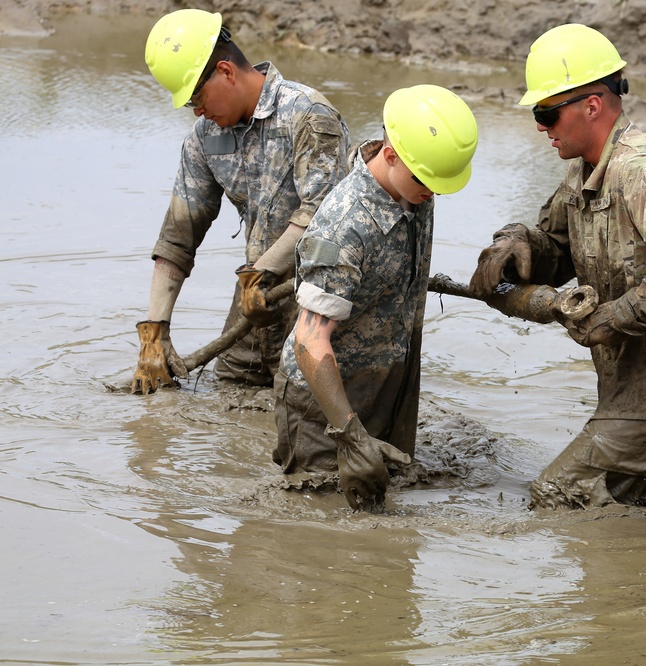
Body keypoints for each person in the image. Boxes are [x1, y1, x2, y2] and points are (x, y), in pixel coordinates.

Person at [469, 23, 646, 510]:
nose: (541, 127)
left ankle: (630, 581)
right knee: (622, 501)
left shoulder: (639, 167)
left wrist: (619, 315)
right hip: (639, 390)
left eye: (547, 113)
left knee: (558, 495)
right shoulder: (581, 172)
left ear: (591, 106)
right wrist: (513, 242)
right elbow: (554, 248)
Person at [273, 84, 479, 512]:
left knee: (381, 512)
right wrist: (349, 434)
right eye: (426, 180)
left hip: (386, 381)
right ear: (389, 156)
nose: (433, 192)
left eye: (441, 183)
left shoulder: (414, 184)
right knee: (318, 521)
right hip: (324, 404)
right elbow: (309, 341)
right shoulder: (343, 227)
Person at [131, 8, 349, 395]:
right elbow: (178, 237)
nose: (197, 111)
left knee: (300, 409)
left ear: (226, 72)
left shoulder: (307, 115)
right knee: (227, 393)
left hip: (315, 299)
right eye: (189, 105)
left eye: (197, 97)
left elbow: (320, 215)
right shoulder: (203, 139)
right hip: (253, 300)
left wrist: (260, 273)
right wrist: (154, 333)